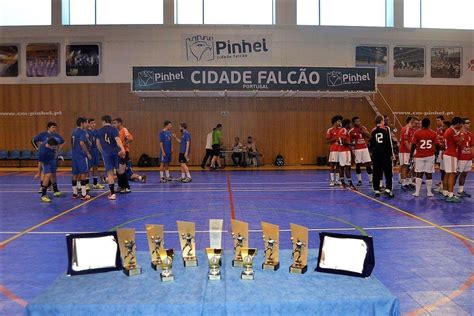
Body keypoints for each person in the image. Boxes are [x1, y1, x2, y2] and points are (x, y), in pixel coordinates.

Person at [97, 115, 126, 200]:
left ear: (103, 121)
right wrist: (122, 149)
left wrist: (102, 152)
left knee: (110, 173)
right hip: (115, 152)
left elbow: (98, 144)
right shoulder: (114, 129)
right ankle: (123, 162)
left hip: (107, 154)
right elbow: (117, 140)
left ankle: (112, 194)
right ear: (110, 121)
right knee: (120, 171)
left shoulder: (99, 131)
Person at [32, 122, 65, 193]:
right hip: (45, 157)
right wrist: (37, 148)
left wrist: (58, 152)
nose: (54, 129)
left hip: (53, 157)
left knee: (53, 173)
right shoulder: (43, 135)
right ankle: (43, 188)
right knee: (46, 173)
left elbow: (63, 142)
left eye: (55, 127)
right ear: (48, 128)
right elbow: (33, 140)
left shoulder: (57, 136)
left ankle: (54, 189)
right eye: (53, 127)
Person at [410, 118, 440, 197]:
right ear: (429, 124)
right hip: (430, 156)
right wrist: (437, 152)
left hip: (420, 156)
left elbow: (413, 145)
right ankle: (429, 192)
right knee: (428, 173)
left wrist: (411, 155)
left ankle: (417, 192)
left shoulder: (417, 133)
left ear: (422, 124)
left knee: (419, 173)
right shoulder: (433, 133)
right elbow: (437, 145)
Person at [369, 115, 395, 198]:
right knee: (388, 172)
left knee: (376, 172)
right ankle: (388, 189)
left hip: (376, 154)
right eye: (383, 120)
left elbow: (371, 144)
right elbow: (389, 142)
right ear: (381, 121)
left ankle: (376, 189)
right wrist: (392, 154)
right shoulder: (386, 129)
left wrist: (373, 153)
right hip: (385, 154)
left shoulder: (373, 130)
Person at [442, 117, 464, 203]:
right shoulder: (451, 131)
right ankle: (450, 195)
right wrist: (461, 135)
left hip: (448, 154)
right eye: (461, 124)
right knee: (452, 174)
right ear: (458, 123)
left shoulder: (450, 130)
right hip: (451, 154)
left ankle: (445, 192)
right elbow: (459, 142)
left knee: (448, 174)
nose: (462, 126)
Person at [71, 117, 92, 200]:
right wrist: (87, 153)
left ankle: (75, 194)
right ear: (82, 123)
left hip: (74, 155)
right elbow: (81, 143)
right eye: (86, 123)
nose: (87, 124)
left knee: (75, 174)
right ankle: (83, 194)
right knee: (83, 173)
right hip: (81, 155)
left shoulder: (73, 132)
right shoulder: (82, 132)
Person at [349, 117, 373, 186]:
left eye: (359, 121)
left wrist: (363, 132)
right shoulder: (351, 131)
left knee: (368, 164)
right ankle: (359, 180)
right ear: (353, 123)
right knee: (358, 165)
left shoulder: (363, 128)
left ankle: (370, 180)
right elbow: (349, 142)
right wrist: (352, 150)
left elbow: (370, 136)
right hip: (357, 150)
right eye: (356, 121)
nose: (358, 123)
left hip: (365, 148)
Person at [113, 118, 133, 192]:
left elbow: (130, 139)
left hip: (124, 152)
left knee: (122, 170)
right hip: (117, 153)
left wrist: (123, 145)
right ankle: (120, 186)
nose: (113, 125)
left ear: (120, 123)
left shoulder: (124, 130)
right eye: (113, 123)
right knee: (118, 170)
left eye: (115, 123)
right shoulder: (115, 131)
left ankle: (126, 187)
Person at [399, 117, 418, 190]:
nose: (416, 125)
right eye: (415, 123)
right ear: (411, 122)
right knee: (405, 166)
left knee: (411, 166)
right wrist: (411, 152)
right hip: (405, 151)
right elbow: (405, 141)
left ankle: (409, 182)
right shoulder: (405, 129)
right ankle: (404, 183)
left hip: (410, 151)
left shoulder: (413, 130)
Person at [38, 138, 60, 203]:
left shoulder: (55, 141)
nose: (55, 147)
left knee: (53, 174)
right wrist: (38, 172)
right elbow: (40, 162)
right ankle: (43, 195)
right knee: (48, 175)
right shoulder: (42, 151)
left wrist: (56, 153)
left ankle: (55, 190)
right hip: (46, 162)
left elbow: (58, 145)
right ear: (49, 145)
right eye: (53, 147)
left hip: (52, 159)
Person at [87, 118, 104, 190]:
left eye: (94, 123)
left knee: (95, 167)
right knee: (88, 168)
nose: (93, 124)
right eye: (92, 123)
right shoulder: (86, 132)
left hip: (95, 151)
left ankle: (95, 183)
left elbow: (99, 143)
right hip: (89, 151)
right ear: (88, 124)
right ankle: (86, 184)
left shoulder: (97, 131)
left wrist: (102, 152)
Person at [456, 118, 472, 197]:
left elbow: (472, 146)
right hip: (460, 158)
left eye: (469, 123)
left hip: (468, 158)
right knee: (456, 174)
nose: (468, 124)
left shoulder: (470, 134)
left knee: (464, 174)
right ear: (462, 124)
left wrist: (472, 155)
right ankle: (450, 192)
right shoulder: (458, 134)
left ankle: (460, 191)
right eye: (467, 123)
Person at [337, 119, 355, 189]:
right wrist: (352, 144)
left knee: (341, 166)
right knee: (347, 167)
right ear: (347, 124)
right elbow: (344, 142)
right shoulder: (344, 130)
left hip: (341, 150)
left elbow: (339, 141)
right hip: (345, 151)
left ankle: (343, 183)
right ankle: (350, 184)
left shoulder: (341, 130)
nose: (351, 125)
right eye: (350, 124)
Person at [326, 115, 343, 186]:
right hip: (333, 150)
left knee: (339, 165)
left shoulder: (342, 129)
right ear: (335, 122)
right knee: (332, 165)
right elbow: (327, 141)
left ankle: (337, 180)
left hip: (340, 150)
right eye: (339, 121)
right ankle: (332, 181)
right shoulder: (330, 130)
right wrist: (336, 138)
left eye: (340, 121)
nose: (340, 122)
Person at [436, 120, 451, 192]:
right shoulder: (445, 132)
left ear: (447, 126)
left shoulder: (448, 133)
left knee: (446, 171)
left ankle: (445, 188)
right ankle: (443, 186)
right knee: (442, 170)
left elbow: (445, 145)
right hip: (443, 152)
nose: (442, 127)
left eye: (443, 126)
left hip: (446, 153)